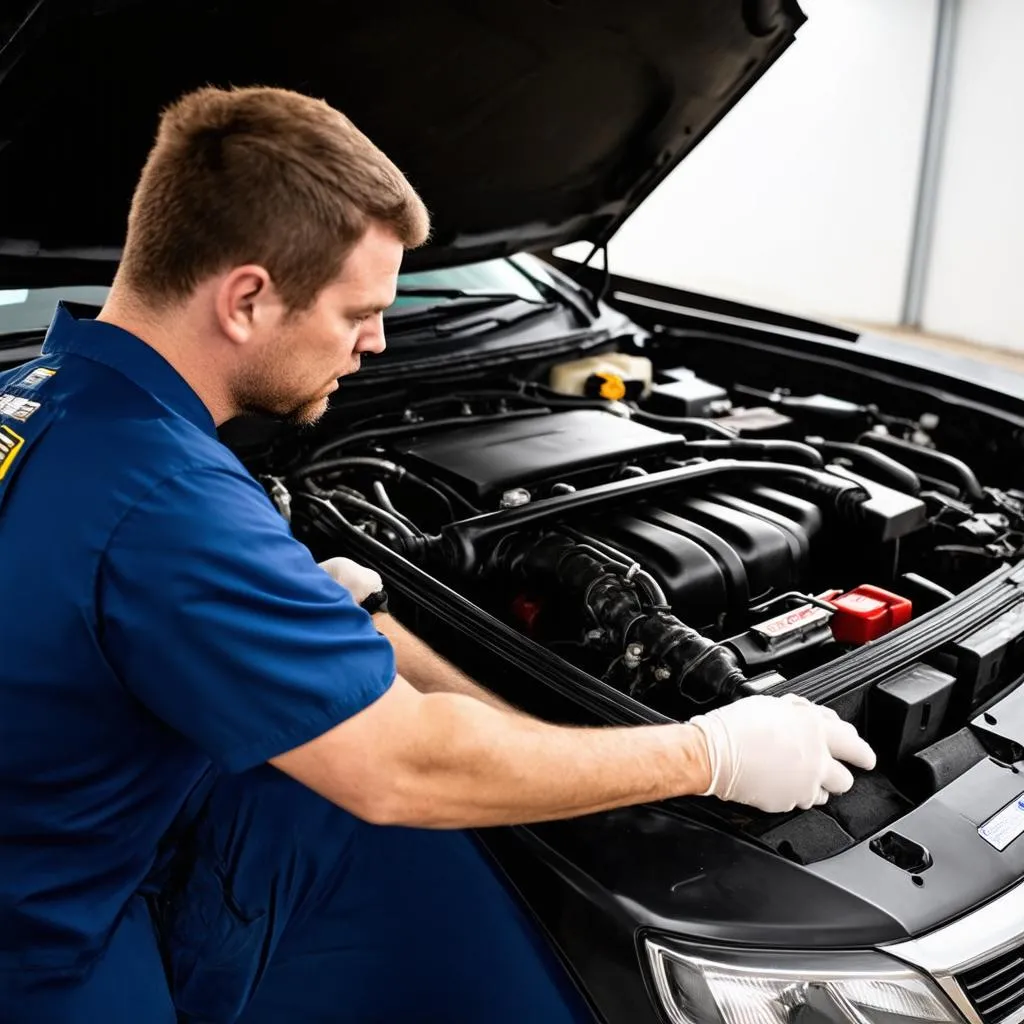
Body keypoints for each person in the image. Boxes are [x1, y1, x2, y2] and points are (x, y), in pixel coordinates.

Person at [0, 85, 876, 1023]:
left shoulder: (44, 397)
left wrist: (300, 607)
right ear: (247, 298)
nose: (377, 342)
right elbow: (405, 768)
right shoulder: (169, 498)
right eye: (357, 313)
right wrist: (712, 753)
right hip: (46, 942)